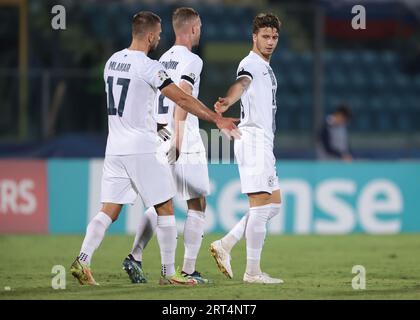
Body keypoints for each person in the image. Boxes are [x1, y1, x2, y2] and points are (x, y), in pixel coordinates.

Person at [70, 11, 239, 286]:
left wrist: (162, 127)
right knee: (165, 208)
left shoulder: (112, 61)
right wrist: (215, 118)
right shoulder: (150, 67)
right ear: (150, 36)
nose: (160, 38)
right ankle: (169, 274)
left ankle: (83, 259)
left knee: (108, 210)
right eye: (158, 35)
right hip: (142, 146)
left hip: (114, 146)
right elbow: (182, 99)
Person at [121, 7, 210, 285]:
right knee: (197, 203)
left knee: (162, 202)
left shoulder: (161, 59)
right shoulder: (193, 60)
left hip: (158, 136)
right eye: (200, 28)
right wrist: (180, 138)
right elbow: (184, 96)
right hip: (182, 137)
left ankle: (135, 256)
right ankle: (187, 269)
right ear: (194, 29)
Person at [209, 13, 284, 284]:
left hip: (262, 140)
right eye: (265, 36)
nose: (271, 42)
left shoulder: (265, 65)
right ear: (254, 37)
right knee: (261, 207)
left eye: (275, 37)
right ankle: (252, 272)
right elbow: (242, 83)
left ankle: (226, 244)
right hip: (254, 142)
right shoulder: (250, 63)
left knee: (273, 205)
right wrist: (228, 101)